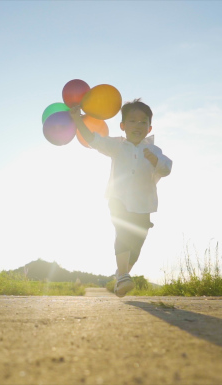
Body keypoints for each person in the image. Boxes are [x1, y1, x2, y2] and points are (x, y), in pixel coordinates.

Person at [70, 98, 172, 297]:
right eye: (133, 121)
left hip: (144, 204)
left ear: (149, 128)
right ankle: (124, 275)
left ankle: (121, 274)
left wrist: (156, 161)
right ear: (123, 126)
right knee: (123, 231)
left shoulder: (154, 150)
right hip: (118, 199)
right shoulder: (117, 146)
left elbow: (167, 168)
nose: (138, 125)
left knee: (137, 243)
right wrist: (76, 119)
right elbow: (93, 139)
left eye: (143, 122)